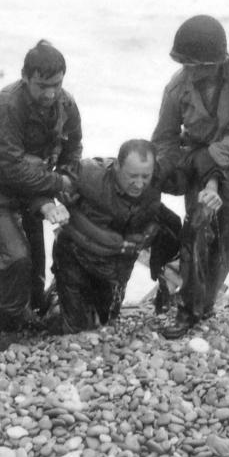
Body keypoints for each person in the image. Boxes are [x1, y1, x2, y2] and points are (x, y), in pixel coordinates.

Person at [152, 15, 229, 338]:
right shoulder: (177, 87)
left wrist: (217, 156)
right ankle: (190, 304)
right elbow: (164, 139)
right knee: (197, 225)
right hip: (197, 158)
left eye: (198, 65)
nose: (191, 71)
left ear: (218, 61)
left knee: (223, 230)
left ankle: (200, 303)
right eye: (186, 64)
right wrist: (163, 173)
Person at [0, 39, 82, 351]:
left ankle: (31, 311)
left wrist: (67, 175)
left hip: (35, 183)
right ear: (25, 77)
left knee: (36, 259)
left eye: (57, 84)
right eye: (42, 85)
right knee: (15, 257)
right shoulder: (6, 107)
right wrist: (56, 186)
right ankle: (4, 330)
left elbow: (73, 146)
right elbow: (10, 169)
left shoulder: (65, 104)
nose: (50, 92)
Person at [48, 139, 180, 334]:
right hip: (76, 257)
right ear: (117, 166)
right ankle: (56, 296)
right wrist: (53, 205)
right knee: (76, 327)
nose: (139, 183)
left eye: (146, 176)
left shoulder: (157, 181)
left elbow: (189, 172)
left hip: (116, 266)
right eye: (132, 176)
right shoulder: (89, 173)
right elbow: (48, 182)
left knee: (105, 320)